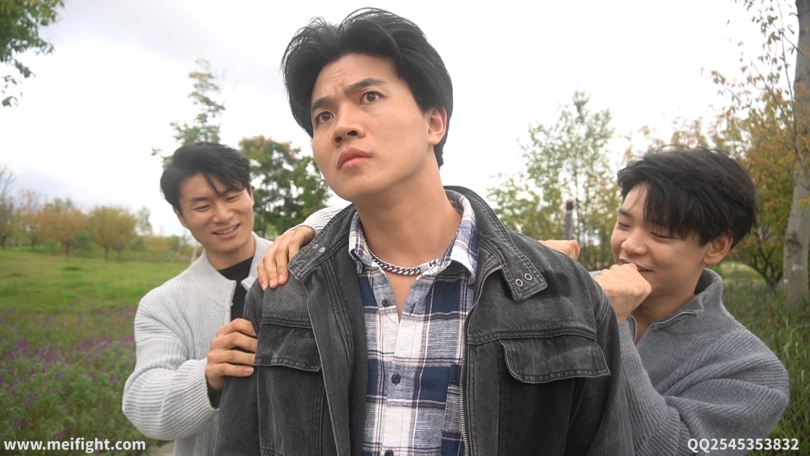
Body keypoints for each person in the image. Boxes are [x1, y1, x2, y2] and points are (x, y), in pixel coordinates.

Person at [215, 8, 631, 455]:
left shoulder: (565, 296)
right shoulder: (282, 293)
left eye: (369, 96)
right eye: (323, 116)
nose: (343, 126)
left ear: (434, 122)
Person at [121, 142, 337, 456]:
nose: (223, 215)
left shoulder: (302, 265)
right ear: (180, 215)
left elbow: (361, 213)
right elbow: (142, 404)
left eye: (232, 196)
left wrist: (309, 227)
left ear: (250, 193)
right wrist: (207, 376)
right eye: (202, 206)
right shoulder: (164, 304)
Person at [588, 147, 789, 455]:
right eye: (624, 225)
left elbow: (671, 449)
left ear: (716, 246)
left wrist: (611, 321)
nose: (630, 244)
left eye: (661, 233)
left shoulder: (751, 371)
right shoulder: (572, 293)